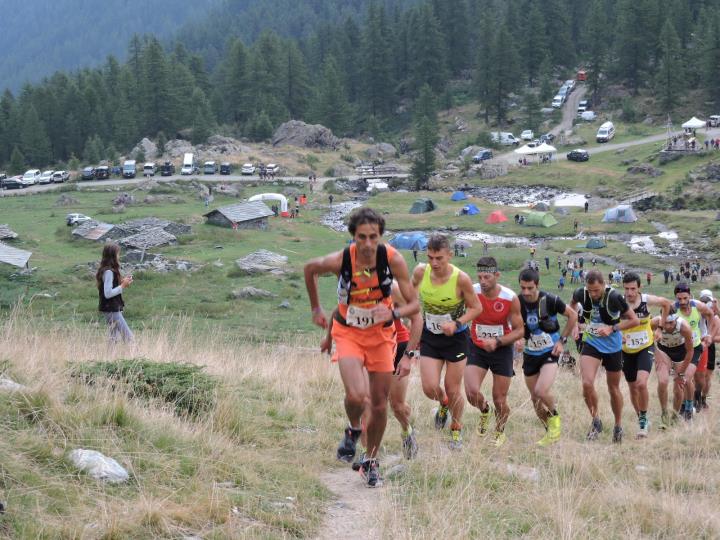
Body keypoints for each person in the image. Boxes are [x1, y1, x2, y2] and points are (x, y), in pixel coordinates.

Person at [303, 208, 420, 487]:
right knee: (356, 396)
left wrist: (391, 314)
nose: (368, 244)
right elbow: (310, 269)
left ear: (381, 235)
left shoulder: (393, 259)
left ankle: (371, 460)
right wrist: (316, 308)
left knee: (379, 404)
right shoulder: (342, 259)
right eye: (362, 237)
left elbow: (415, 306)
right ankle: (354, 428)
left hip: (381, 336)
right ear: (353, 237)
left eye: (373, 237)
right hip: (348, 332)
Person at [321, 280, 423, 462]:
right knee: (367, 403)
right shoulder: (351, 281)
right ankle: (369, 458)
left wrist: (409, 354)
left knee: (397, 406)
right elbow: (340, 310)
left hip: (396, 344)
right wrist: (329, 337)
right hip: (365, 346)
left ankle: (407, 431)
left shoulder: (393, 287)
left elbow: (416, 318)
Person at [412, 234, 482, 450]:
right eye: (431, 257)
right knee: (429, 388)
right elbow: (411, 294)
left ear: (450, 256)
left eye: (439, 258)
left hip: (456, 338)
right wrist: (412, 317)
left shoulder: (461, 279)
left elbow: (476, 308)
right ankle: (443, 405)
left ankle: (456, 428)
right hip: (430, 335)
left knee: (453, 389)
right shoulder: (420, 272)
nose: (434, 263)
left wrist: (457, 322)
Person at [570, 270, 638, 443]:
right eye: (590, 290)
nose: (593, 294)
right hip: (592, 343)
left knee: (613, 388)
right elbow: (570, 308)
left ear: (603, 285)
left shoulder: (614, 297)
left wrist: (612, 328)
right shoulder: (581, 293)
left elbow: (634, 320)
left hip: (612, 346)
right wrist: (574, 326)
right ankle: (595, 421)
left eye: (596, 290)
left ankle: (618, 425)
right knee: (586, 383)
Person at [465, 257, 524, 447]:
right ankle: (484, 411)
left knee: (500, 399)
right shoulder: (472, 291)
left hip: (501, 349)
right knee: (471, 392)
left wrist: (498, 341)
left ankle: (499, 431)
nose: (483, 281)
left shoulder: (509, 298)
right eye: (480, 276)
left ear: (497, 275)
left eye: (487, 277)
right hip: (477, 347)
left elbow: (520, 330)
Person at [517, 268, 577, 446]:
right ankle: (550, 433)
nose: (526, 292)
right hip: (530, 354)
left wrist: (562, 341)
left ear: (537, 285)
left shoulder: (550, 299)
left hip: (549, 352)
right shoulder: (518, 302)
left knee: (541, 391)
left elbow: (572, 315)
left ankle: (555, 420)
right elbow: (514, 323)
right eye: (523, 288)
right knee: (535, 401)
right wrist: (519, 338)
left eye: (530, 288)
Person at [620, 273, 671, 438]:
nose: (629, 292)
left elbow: (665, 304)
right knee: (633, 388)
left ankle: (642, 424)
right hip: (626, 350)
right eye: (627, 288)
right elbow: (608, 319)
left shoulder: (646, 300)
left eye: (633, 289)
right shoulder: (618, 302)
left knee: (641, 384)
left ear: (639, 288)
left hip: (645, 347)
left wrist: (660, 328)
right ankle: (642, 417)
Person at [670, 282, 716, 420]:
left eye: (685, 298)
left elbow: (711, 315)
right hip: (679, 348)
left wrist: (709, 335)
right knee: (682, 380)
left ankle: (692, 404)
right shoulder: (672, 308)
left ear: (690, 296)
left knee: (694, 378)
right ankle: (685, 407)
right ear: (675, 298)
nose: (682, 302)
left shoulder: (698, 305)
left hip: (696, 347)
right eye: (679, 299)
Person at [652, 307, 697, 425]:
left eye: (671, 323)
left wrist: (681, 373)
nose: (668, 326)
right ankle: (664, 412)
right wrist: (654, 351)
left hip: (681, 353)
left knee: (678, 386)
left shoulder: (684, 327)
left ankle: (675, 415)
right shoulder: (655, 323)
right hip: (663, 351)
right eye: (665, 323)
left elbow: (690, 351)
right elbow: (646, 338)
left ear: (676, 319)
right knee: (662, 381)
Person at [96, 243, 134, 343]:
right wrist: (122, 286)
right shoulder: (109, 272)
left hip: (109, 309)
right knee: (129, 338)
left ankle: (109, 358)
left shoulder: (106, 270)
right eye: (117, 254)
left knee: (113, 339)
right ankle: (135, 358)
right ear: (113, 256)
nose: (119, 256)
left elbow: (109, 288)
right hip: (112, 309)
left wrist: (122, 282)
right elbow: (107, 294)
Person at [695, 289, 720, 410]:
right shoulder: (695, 311)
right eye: (703, 300)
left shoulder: (714, 316)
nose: (706, 303)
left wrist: (709, 338)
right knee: (697, 375)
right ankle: (697, 399)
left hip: (709, 347)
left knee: (707, 376)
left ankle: (703, 399)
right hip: (696, 346)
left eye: (708, 300)